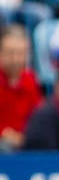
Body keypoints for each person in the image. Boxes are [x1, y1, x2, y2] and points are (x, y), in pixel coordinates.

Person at [0, 24, 43, 153]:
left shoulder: (30, 79)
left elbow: (38, 117)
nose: (15, 59)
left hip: (26, 142)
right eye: (10, 53)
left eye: (21, 53)